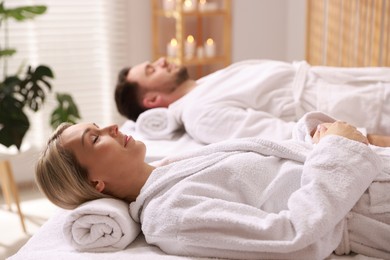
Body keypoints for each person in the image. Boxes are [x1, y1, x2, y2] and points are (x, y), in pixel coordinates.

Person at [36, 112, 390, 259]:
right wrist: (335, 151)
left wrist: (316, 137)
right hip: (375, 209)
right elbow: (289, 236)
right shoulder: (170, 216)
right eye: (95, 139)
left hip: (368, 169)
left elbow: (273, 164)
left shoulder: (173, 167)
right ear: (97, 184)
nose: (112, 128)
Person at [115, 58, 390, 144]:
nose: (161, 61)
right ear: (152, 99)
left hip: (336, 85)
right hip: (342, 105)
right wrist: (371, 140)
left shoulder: (201, 88)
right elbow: (283, 136)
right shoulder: (199, 114)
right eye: (151, 70)